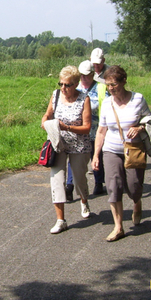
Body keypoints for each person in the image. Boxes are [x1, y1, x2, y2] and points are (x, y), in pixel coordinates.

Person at [92, 66, 151, 242]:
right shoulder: (107, 104)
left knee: (134, 187)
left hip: (133, 149)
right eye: (108, 85)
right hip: (111, 150)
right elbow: (101, 131)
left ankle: (136, 201)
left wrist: (139, 127)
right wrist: (96, 155)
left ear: (124, 81)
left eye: (114, 84)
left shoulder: (138, 99)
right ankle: (118, 227)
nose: (111, 88)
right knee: (113, 186)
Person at [41, 66, 92, 234]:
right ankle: (60, 220)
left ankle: (84, 200)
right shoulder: (56, 95)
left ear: (76, 84)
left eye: (68, 85)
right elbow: (48, 114)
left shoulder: (84, 99)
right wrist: (45, 121)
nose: (63, 88)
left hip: (79, 145)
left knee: (78, 178)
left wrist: (67, 127)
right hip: (58, 145)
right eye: (61, 84)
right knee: (57, 179)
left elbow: (87, 128)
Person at [65, 60, 105, 199]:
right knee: (74, 158)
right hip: (79, 131)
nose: (84, 78)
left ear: (93, 74)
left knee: (97, 156)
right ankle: (69, 186)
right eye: (81, 75)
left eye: (87, 75)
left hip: (95, 130)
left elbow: (106, 108)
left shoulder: (101, 88)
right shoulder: (76, 87)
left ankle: (99, 182)